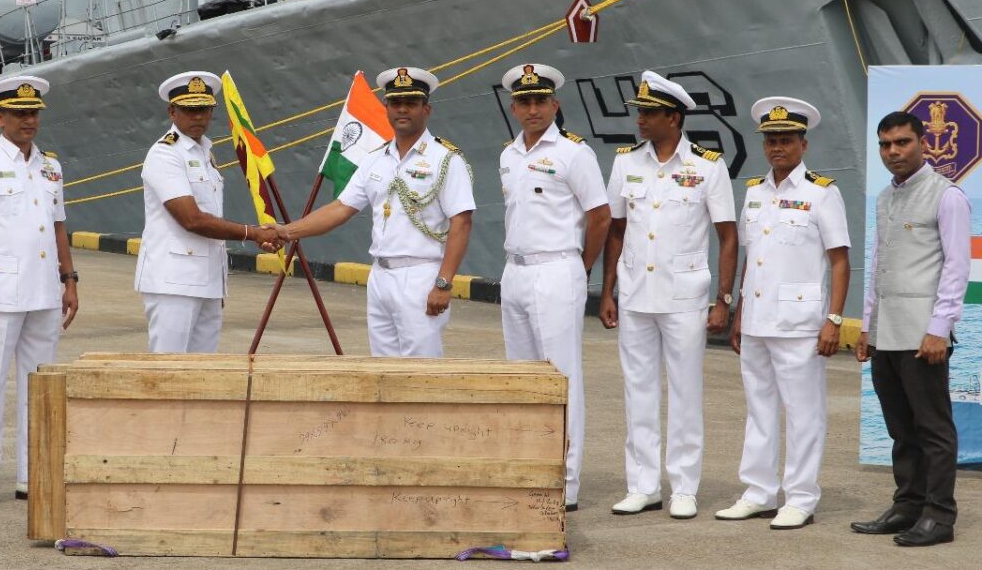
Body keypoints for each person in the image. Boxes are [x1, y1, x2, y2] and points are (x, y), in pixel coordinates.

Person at [599, 71, 737, 519]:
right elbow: (616, 230)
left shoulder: (707, 166)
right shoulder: (626, 163)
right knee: (637, 391)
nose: (640, 119)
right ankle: (642, 484)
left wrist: (724, 299)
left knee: (684, 393)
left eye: (649, 113)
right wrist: (607, 291)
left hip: (684, 296)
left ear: (673, 118)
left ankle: (683, 486)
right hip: (636, 293)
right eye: (640, 112)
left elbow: (728, 236)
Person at [274, 67, 475, 357]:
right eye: (395, 103)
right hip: (380, 276)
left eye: (411, 103)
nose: (402, 110)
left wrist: (443, 283)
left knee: (420, 373)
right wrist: (286, 231)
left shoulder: (445, 160)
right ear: (386, 108)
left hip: (420, 275)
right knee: (382, 368)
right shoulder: (375, 160)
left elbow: (462, 222)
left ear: (426, 109)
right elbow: (341, 209)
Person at [716, 97, 850, 530]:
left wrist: (833, 320)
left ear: (803, 145)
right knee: (759, 409)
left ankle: (801, 496)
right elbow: (752, 258)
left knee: (805, 411)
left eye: (786, 140)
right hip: (756, 321)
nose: (778, 147)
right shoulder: (755, 193)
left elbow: (839, 261)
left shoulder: (822, 193)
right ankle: (759, 491)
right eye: (771, 140)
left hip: (800, 324)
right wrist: (737, 315)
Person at [0, 75, 79, 510]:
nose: (29, 121)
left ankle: (32, 474)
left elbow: (59, 227)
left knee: (39, 387)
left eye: (34, 113)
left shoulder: (51, 166)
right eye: (20, 114)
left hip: (44, 292)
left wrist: (69, 279)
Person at [850, 111, 969, 547]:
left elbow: (957, 268)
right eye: (885, 145)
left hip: (923, 336)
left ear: (923, 143)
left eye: (901, 142)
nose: (893, 152)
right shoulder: (885, 198)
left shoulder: (946, 196)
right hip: (886, 333)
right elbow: (879, 266)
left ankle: (939, 516)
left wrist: (939, 329)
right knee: (900, 428)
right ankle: (908, 505)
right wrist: (867, 327)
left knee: (933, 429)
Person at [497, 63, 610, 512]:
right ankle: (529, 469)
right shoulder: (508, 155)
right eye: (524, 102)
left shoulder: (573, 154)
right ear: (514, 107)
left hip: (558, 269)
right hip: (516, 271)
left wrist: (581, 269)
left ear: (554, 105)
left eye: (540, 101)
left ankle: (567, 480)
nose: (532, 109)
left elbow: (599, 215)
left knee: (562, 377)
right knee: (521, 377)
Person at [134, 71, 281, 353]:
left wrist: (216, 282)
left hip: (207, 282)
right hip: (173, 284)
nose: (198, 116)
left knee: (203, 373)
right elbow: (192, 219)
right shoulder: (165, 154)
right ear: (172, 112)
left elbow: (210, 217)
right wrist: (253, 233)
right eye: (190, 110)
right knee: (170, 373)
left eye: (204, 109)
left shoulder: (204, 153)